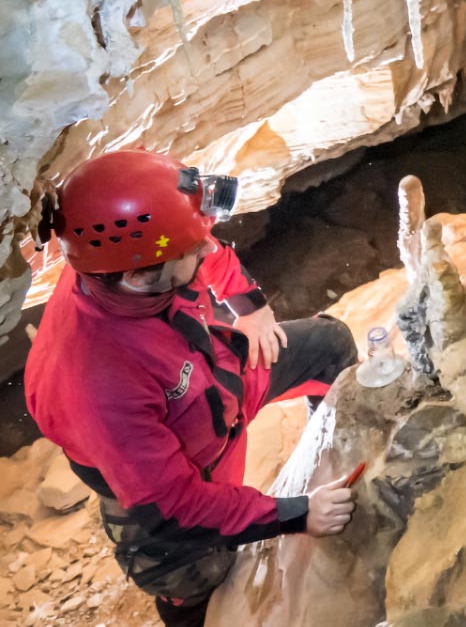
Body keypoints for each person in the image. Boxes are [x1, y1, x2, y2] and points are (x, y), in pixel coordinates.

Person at [25, 150, 359, 627]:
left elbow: (204, 254)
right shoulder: (96, 382)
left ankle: (328, 455)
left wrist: (252, 305)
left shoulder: (126, 266)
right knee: (199, 579)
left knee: (329, 346)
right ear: (140, 275)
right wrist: (298, 513)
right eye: (191, 248)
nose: (207, 250)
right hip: (169, 481)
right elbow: (174, 506)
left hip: (211, 381)